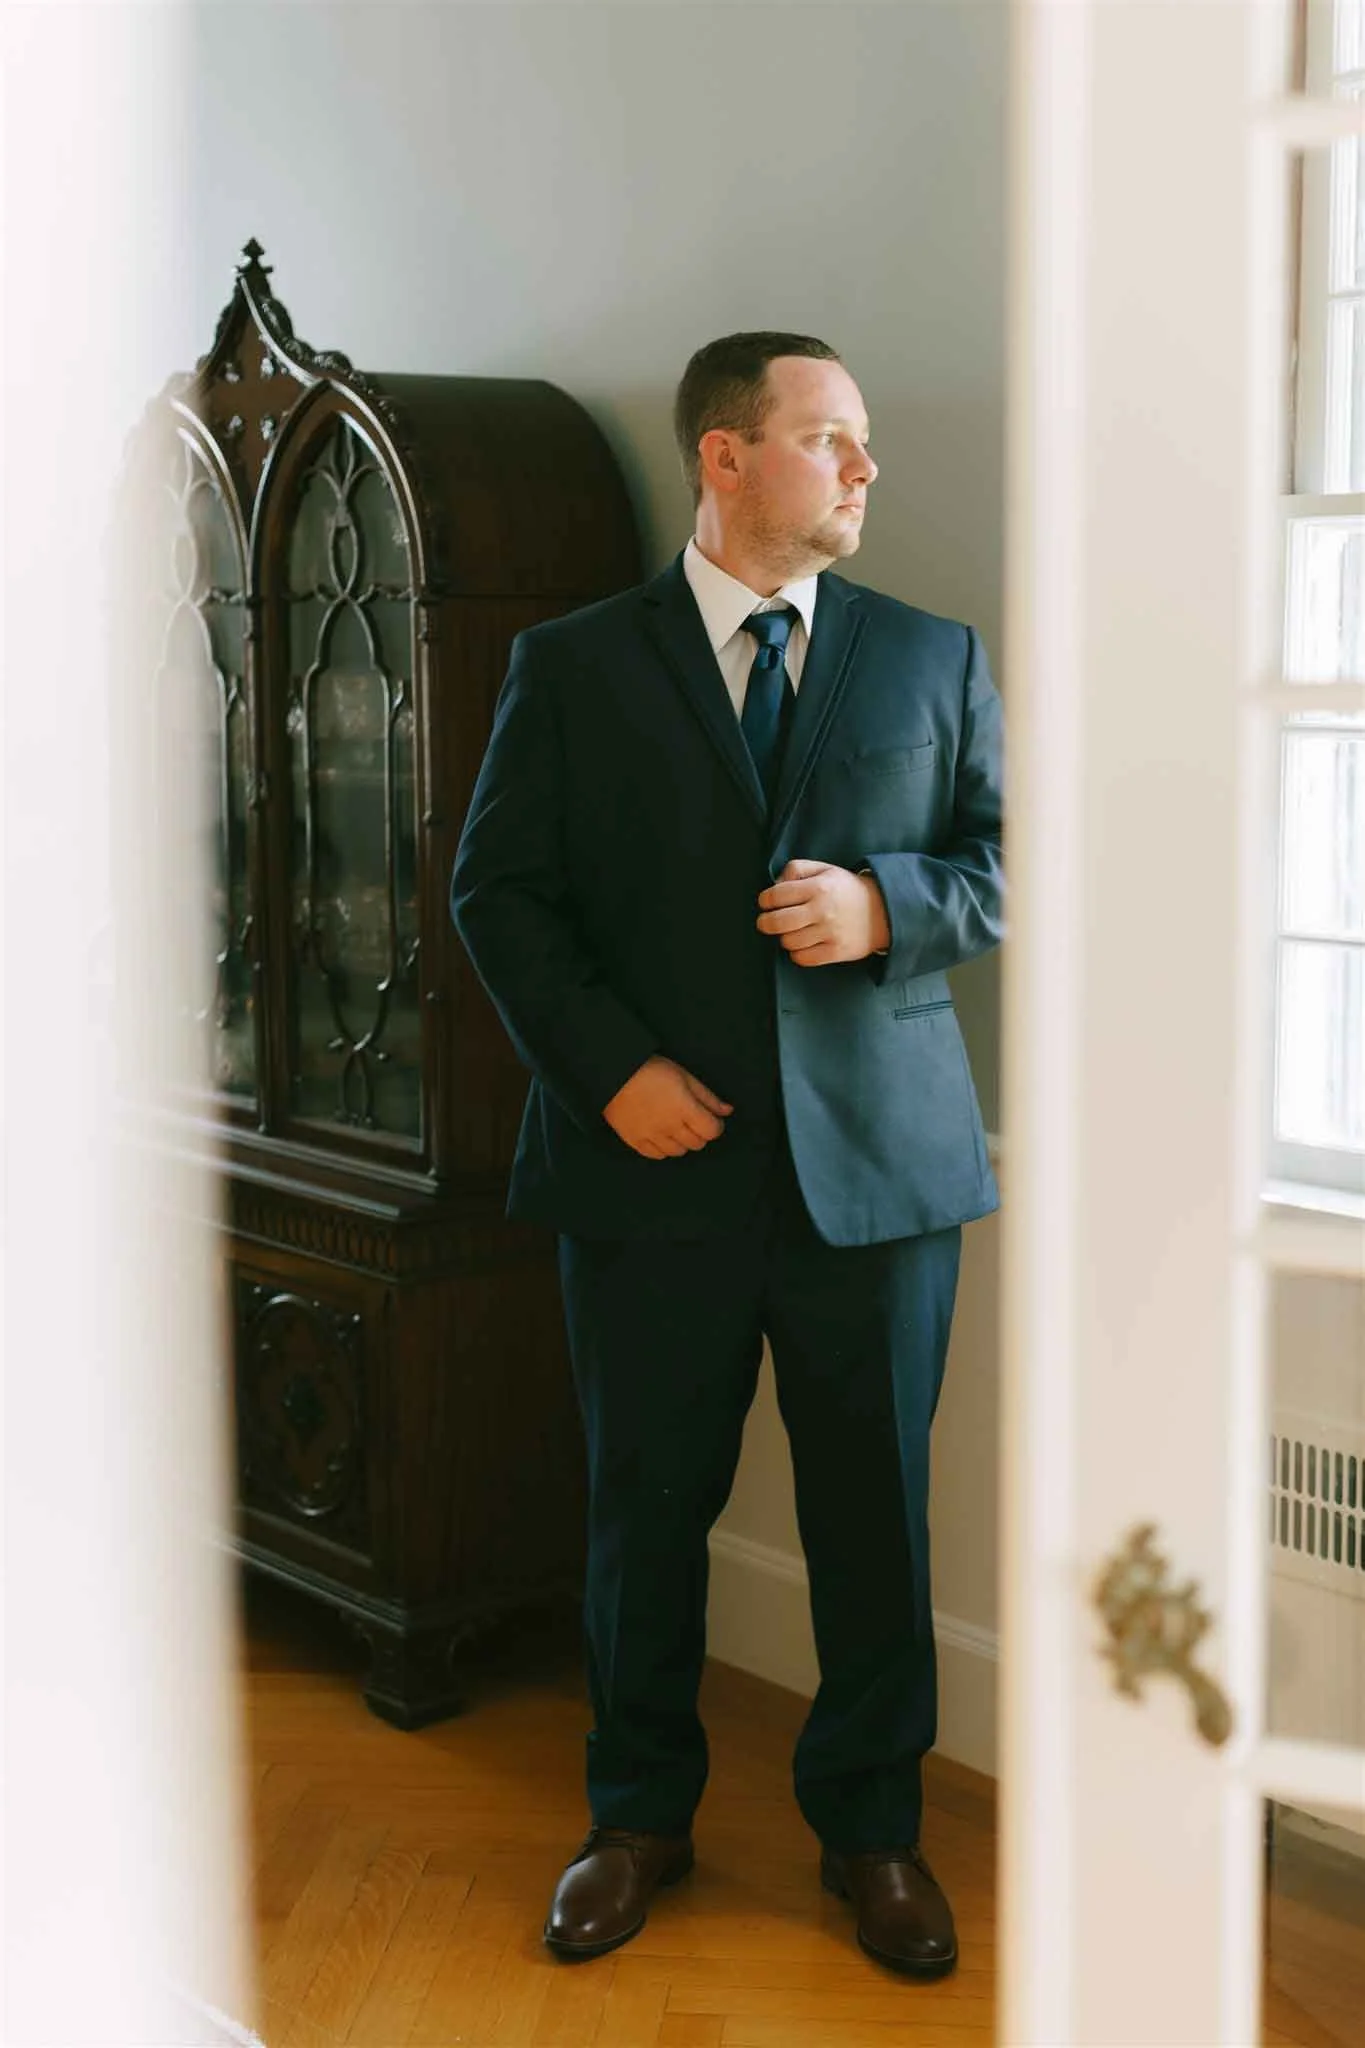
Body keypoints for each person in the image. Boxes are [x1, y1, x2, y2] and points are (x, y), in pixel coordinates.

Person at [450, 332, 1003, 1980]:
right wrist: (611, 1073)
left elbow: (998, 865)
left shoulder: (932, 655)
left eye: (862, 440)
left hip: (879, 1189)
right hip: (646, 1174)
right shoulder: (574, 664)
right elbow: (501, 897)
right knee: (642, 1512)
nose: (863, 467)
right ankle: (635, 1820)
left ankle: (874, 1837)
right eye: (828, 437)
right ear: (725, 457)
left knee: (873, 1518)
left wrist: (888, 908)